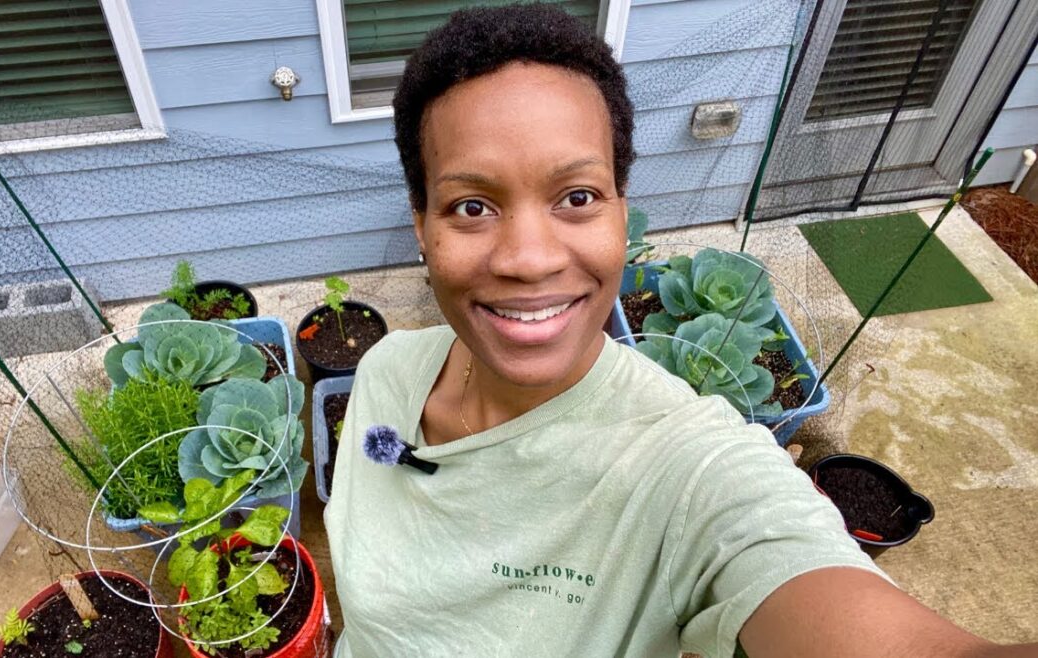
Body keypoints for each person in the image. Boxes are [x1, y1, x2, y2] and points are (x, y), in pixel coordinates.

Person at [323, 5, 1037, 657]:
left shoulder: (685, 466)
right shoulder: (389, 369)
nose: (529, 258)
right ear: (422, 228)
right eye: (473, 206)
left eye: (577, 196)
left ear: (620, 213)